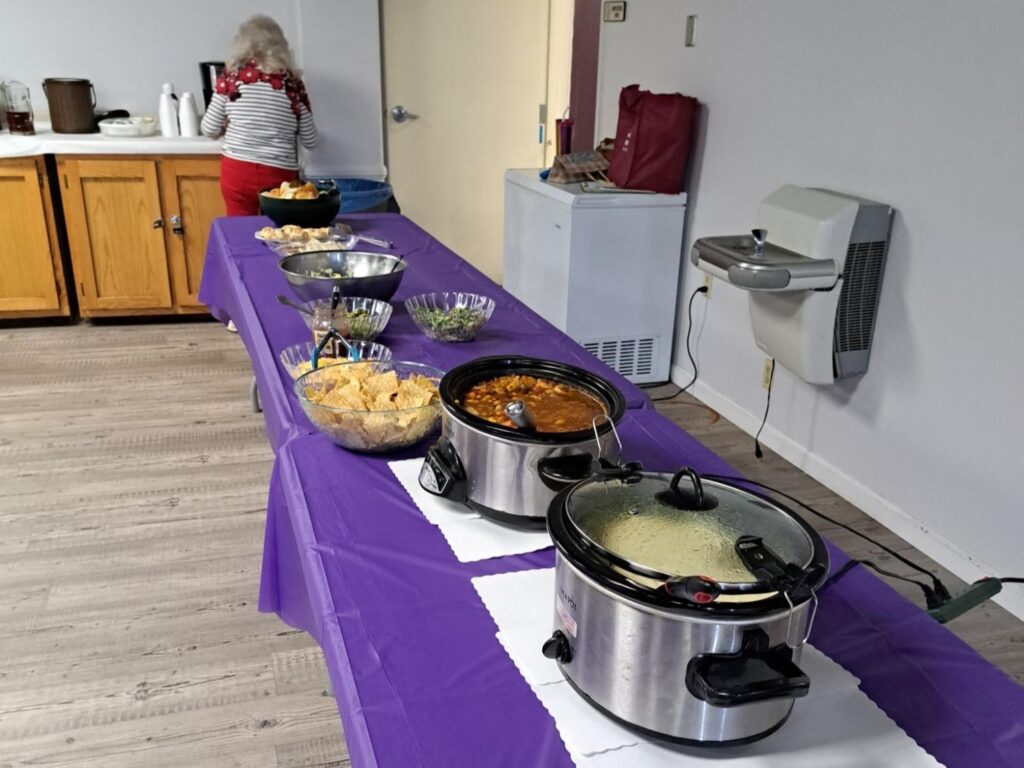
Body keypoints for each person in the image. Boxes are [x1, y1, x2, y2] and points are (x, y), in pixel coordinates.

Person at [201, 15, 318, 216]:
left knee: (240, 233)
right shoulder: (292, 84)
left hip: (237, 171)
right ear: (281, 46)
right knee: (280, 232)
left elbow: (208, 128)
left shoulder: (230, 78)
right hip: (278, 174)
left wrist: (226, 126)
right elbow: (311, 140)